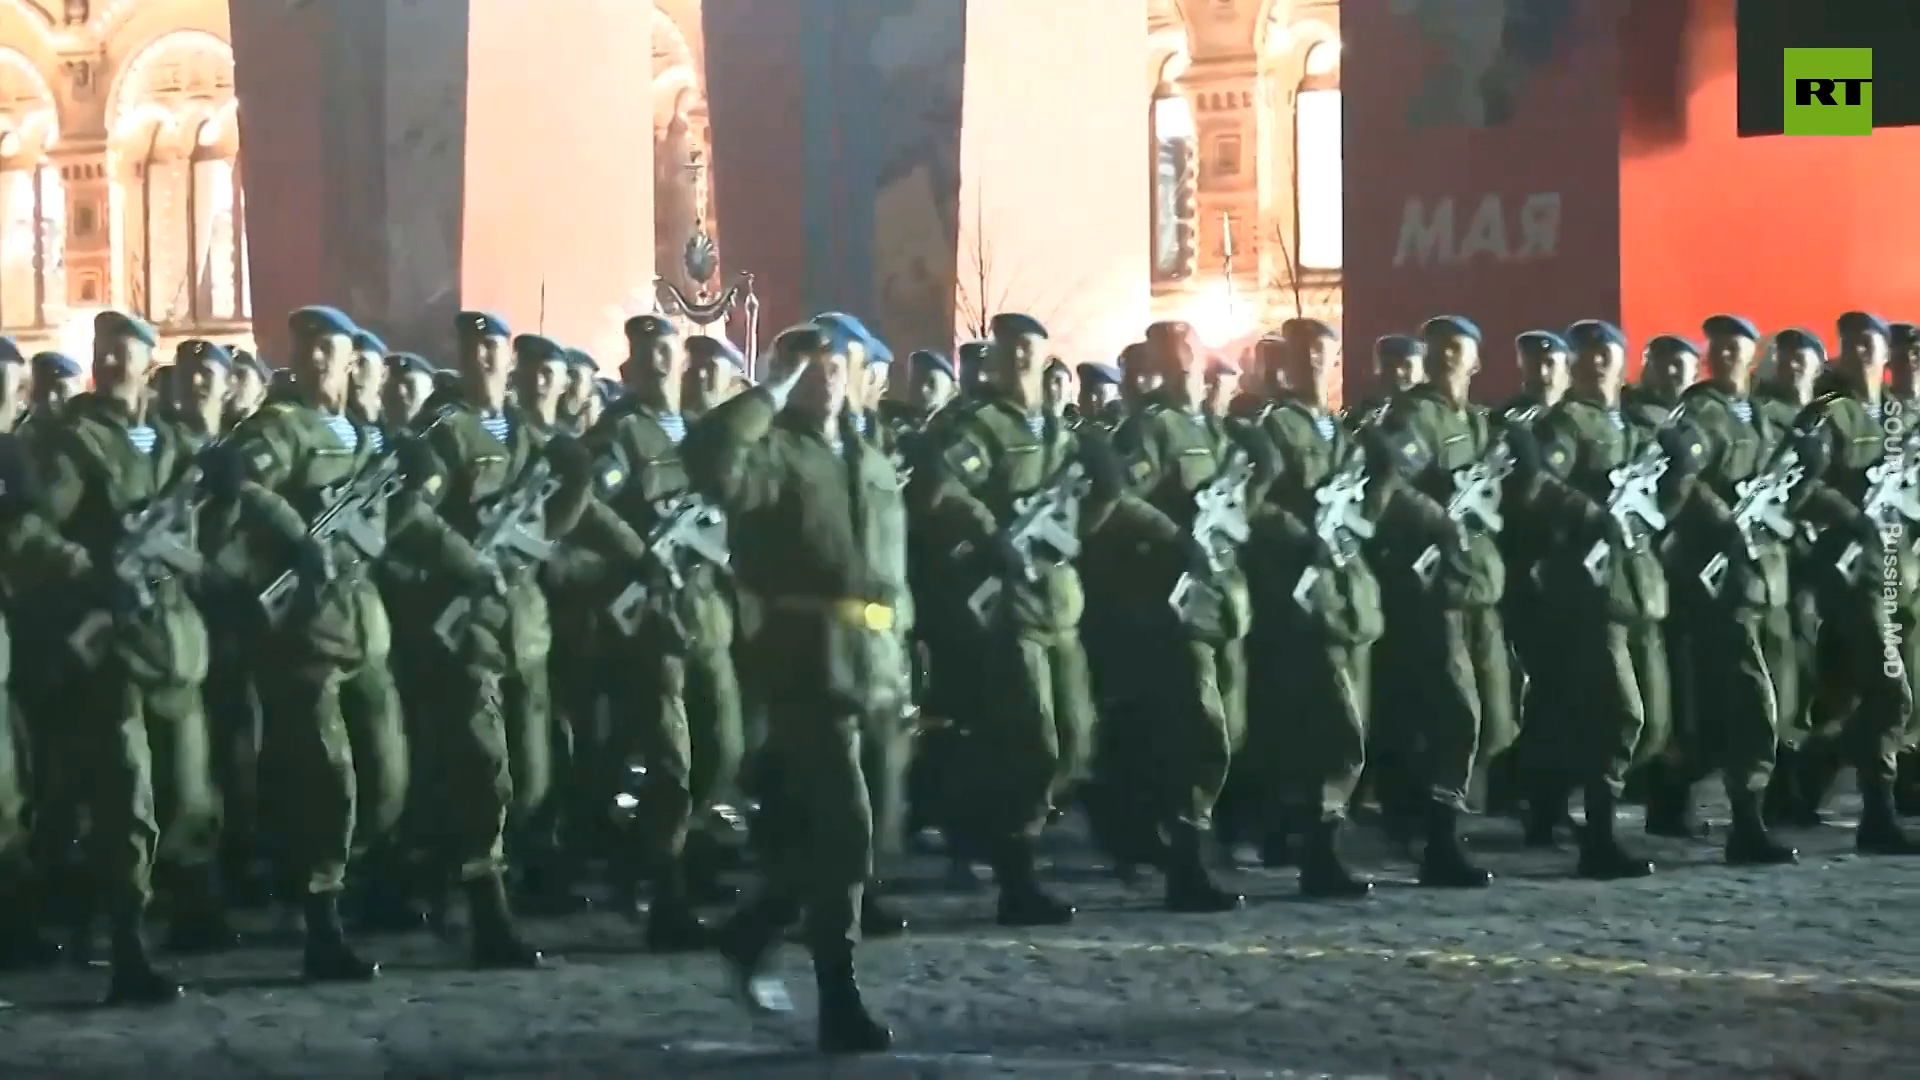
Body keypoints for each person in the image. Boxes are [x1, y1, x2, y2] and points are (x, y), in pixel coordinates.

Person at [686, 323, 904, 1053]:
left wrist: (906, 657)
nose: (829, 375)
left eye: (838, 363)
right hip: (807, 666)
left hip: (874, 664)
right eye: (813, 365)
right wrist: (767, 389)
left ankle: (752, 930)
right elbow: (710, 464)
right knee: (845, 828)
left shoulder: (868, 456)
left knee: (867, 832)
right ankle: (839, 1001)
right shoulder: (775, 453)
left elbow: (890, 570)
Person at [0, 311, 224, 1003]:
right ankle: (127, 941)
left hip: (176, 644)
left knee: (188, 796)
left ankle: (157, 909)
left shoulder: (174, 440)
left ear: (148, 361)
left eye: (125, 351)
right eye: (104, 352)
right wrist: (90, 569)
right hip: (113, 649)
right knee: (127, 794)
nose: (113, 362)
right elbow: (29, 533)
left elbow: (208, 534)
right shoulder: (76, 445)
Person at [204, 306, 411, 980]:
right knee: (327, 778)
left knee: (386, 777)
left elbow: (386, 526)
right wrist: (300, 536)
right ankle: (321, 922)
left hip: (364, 624)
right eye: (308, 347)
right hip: (305, 631)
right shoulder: (283, 425)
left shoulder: (362, 433)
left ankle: (334, 883)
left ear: (354, 358)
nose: (319, 358)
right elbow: (250, 480)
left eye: (331, 348)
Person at [576, 314, 742, 948]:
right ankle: (666, 896)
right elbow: (587, 504)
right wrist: (635, 550)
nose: (662, 365)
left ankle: (654, 854)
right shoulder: (620, 435)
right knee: (672, 763)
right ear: (629, 370)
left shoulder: (704, 432)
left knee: (723, 750)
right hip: (653, 620)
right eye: (647, 356)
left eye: (667, 352)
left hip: (709, 615)